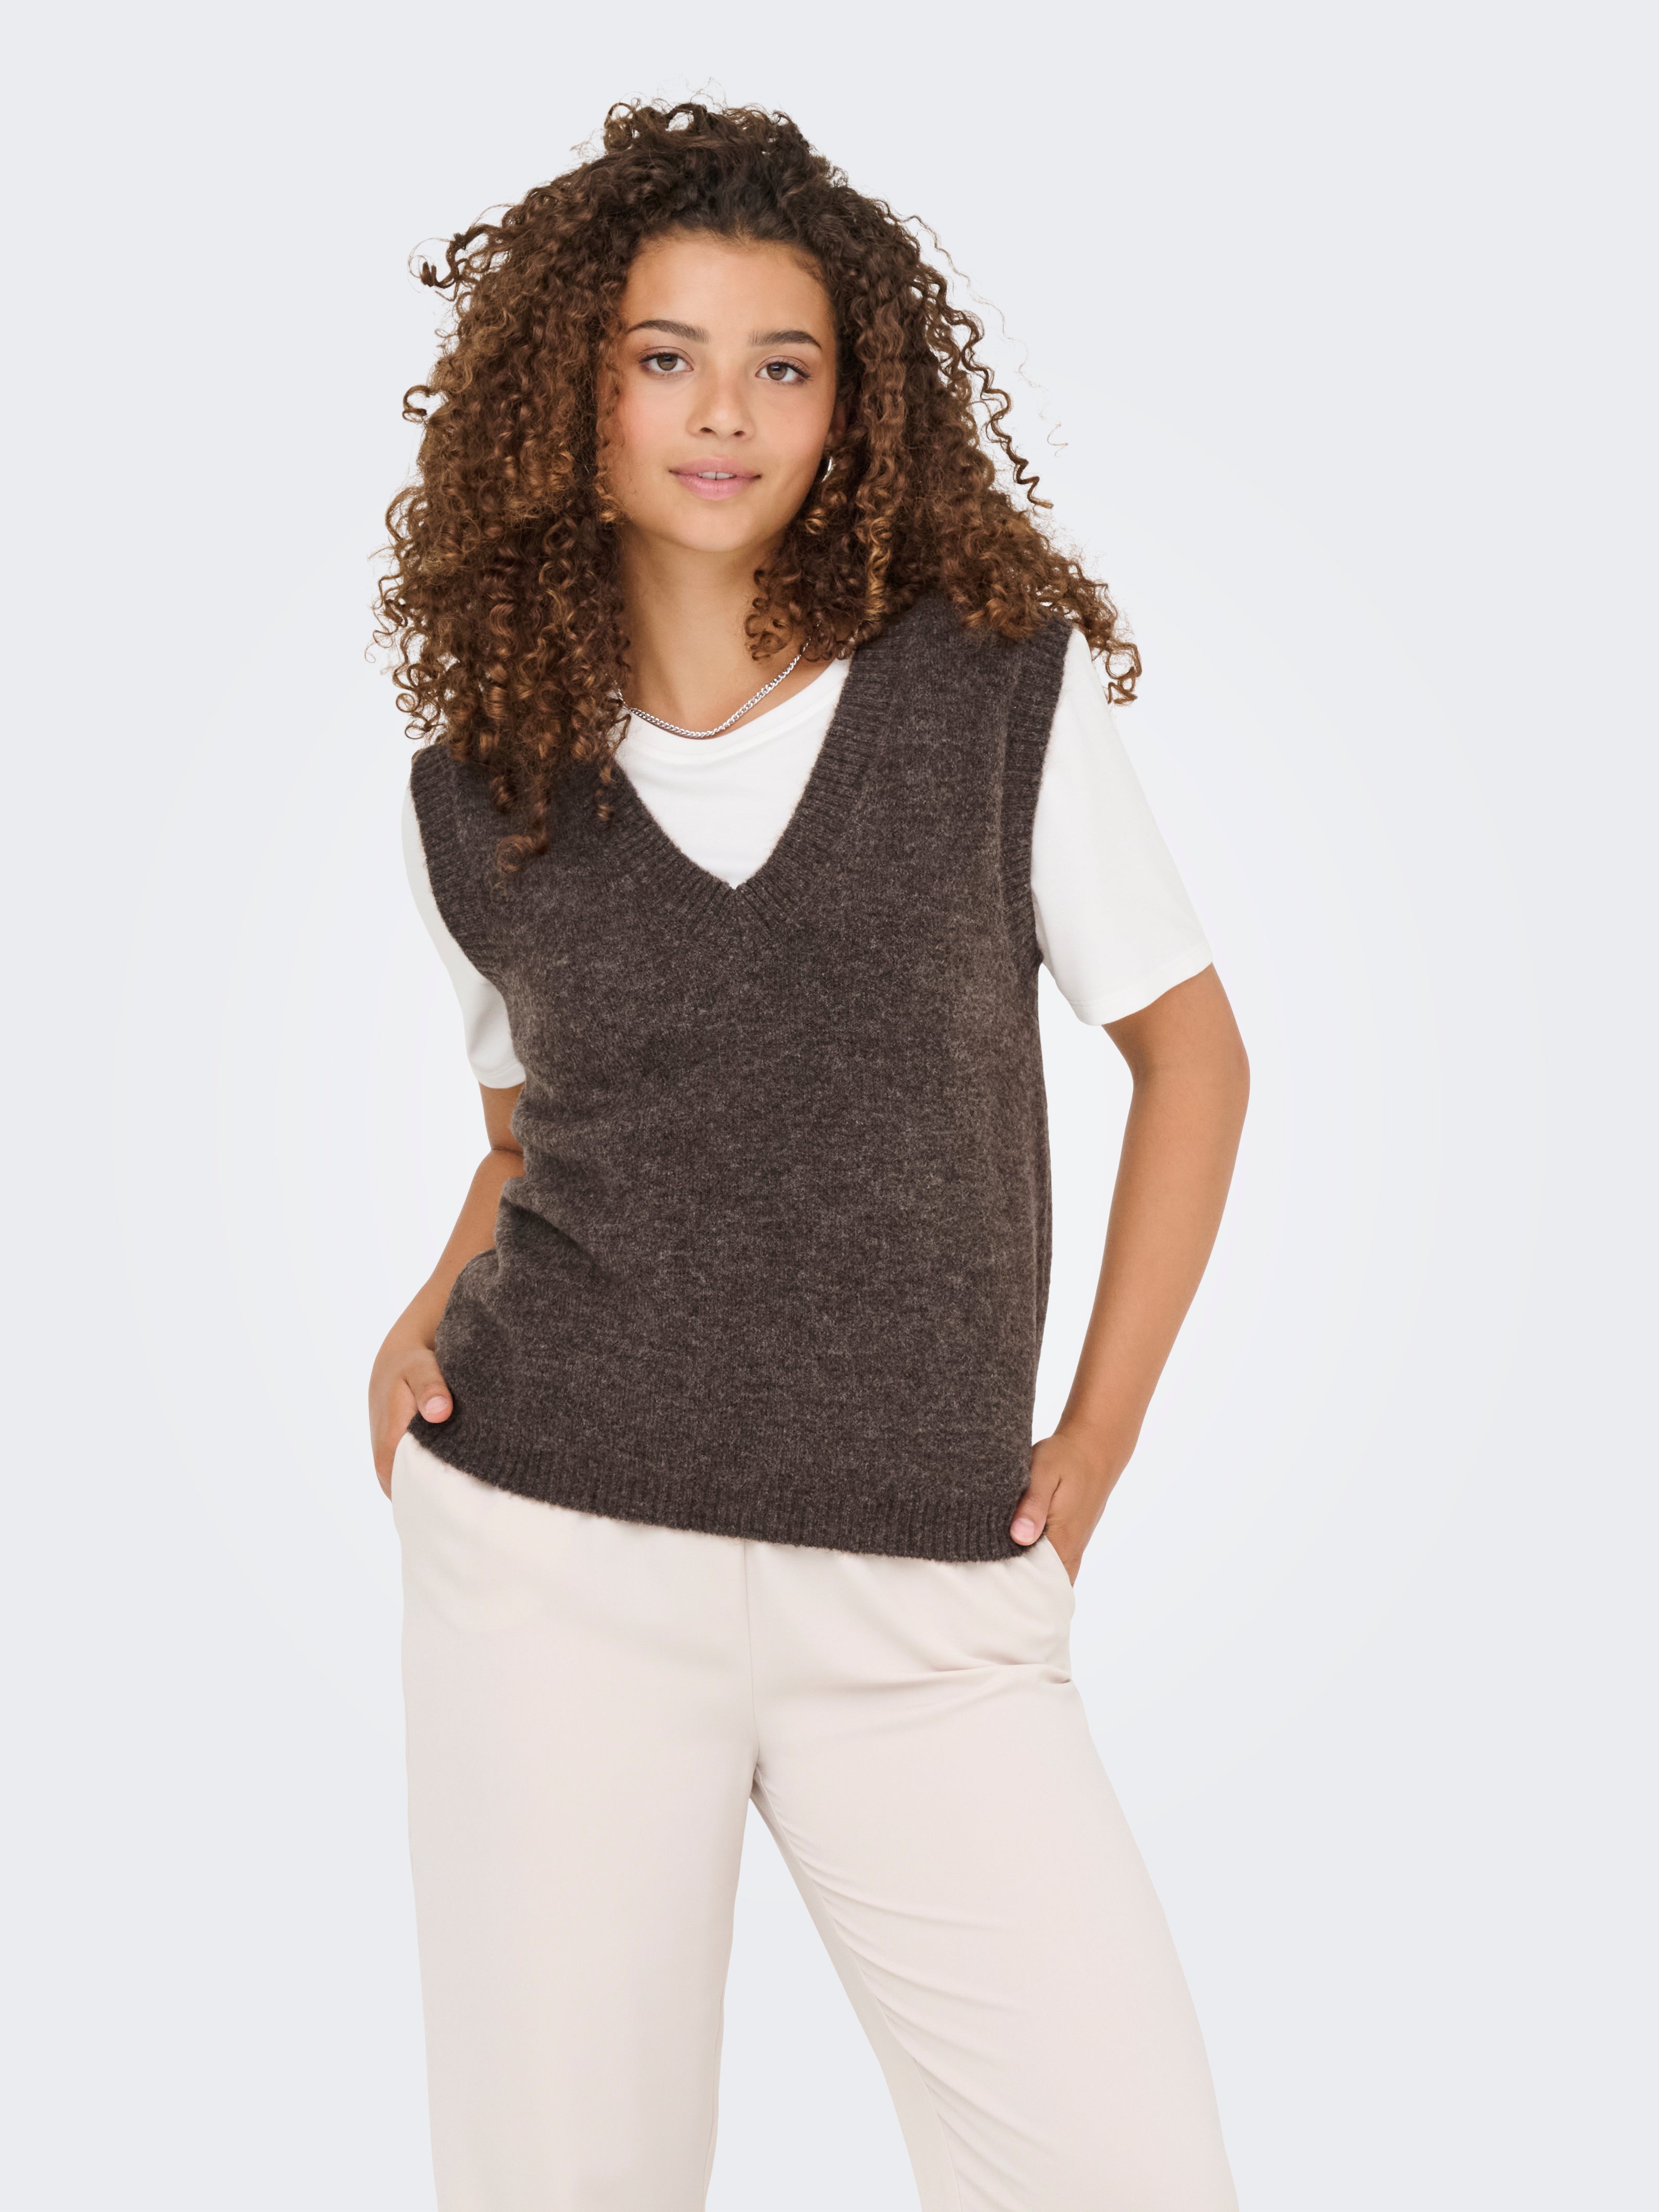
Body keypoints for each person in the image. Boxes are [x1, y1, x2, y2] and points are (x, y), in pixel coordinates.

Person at [370, 99, 1250, 2212]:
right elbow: (534, 1141)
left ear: (853, 406)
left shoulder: (993, 700)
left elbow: (1196, 1062)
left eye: (785, 364)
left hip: (925, 1583)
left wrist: (1098, 1439)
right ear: (568, 390)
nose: (725, 413)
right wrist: (419, 1315)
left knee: (1124, 2169)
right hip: (553, 1552)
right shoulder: (477, 789)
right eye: (665, 356)